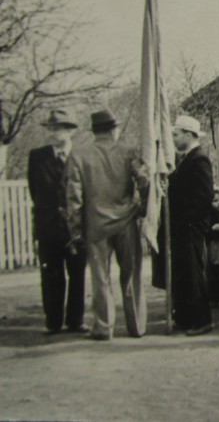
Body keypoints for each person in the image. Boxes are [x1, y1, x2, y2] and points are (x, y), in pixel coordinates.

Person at [65, 109, 147, 340]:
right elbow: (144, 180)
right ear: (114, 129)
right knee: (132, 275)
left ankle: (103, 326)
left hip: (95, 225)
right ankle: (137, 325)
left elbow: (73, 197)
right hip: (126, 221)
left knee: (100, 277)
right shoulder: (128, 151)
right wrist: (142, 208)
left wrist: (76, 230)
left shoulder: (79, 155)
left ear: (95, 131)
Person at [28, 109, 88, 335]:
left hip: (75, 228)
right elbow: (35, 192)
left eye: (59, 129)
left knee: (77, 275)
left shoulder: (81, 156)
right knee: (51, 275)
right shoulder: (37, 156)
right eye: (51, 129)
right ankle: (53, 322)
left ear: (70, 131)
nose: (53, 133)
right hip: (48, 227)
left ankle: (76, 321)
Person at [168, 115, 215, 336]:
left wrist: (190, 220)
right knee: (184, 272)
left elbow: (204, 196)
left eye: (176, 134)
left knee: (194, 272)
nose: (173, 139)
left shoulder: (199, 159)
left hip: (191, 226)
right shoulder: (187, 158)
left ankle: (201, 319)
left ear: (188, 135)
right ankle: (186, 316)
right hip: (183, 226)